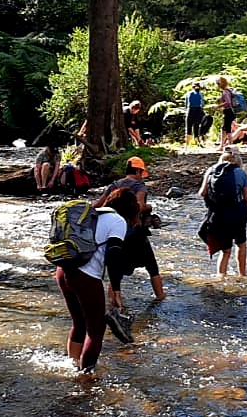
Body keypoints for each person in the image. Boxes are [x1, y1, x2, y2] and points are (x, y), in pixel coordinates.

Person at [54, 187, 142, 373]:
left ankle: (72, 364)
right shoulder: (118, 221)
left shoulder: (95, 214)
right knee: (96, 330)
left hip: (63, 270)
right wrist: (115, 287)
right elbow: (113, 253)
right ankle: (85, 377)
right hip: (85, 276)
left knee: (79, 323)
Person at [94, 156, 166, 308]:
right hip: (135, 233)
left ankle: (114, 307)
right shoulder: (139, 186)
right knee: (152, 268)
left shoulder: (114, 185)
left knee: (115, 270)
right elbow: (139, 206)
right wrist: (149, 207)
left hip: (114, 234)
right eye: (142, 172)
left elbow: (99, 205)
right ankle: (161, 299)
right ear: (138, 171)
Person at [198, 146, 247, 276]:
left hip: (217, 215)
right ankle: (242, 275)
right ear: (238, 159)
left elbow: (202, 193)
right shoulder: (241, 173)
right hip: (236, 215)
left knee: (225, 250)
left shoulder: (211, 171)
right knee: (241, 244)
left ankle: (221, 277)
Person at [215, 76, 236, 148]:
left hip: (228, 111)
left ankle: (231, 145)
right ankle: (222, 145)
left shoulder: (225, 92)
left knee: (227, 129)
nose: (217, 85)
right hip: (228, 111)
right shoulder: (228, 90)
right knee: (224, 128)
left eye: (218, 83)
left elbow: (228, 102)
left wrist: (218, 106)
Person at [184, 82, 206, 146]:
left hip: (190, 110)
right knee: (196, 126)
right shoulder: (200, 94)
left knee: (189, 127)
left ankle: (187, 144)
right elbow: (202, 104)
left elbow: (186, 104)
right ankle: (197, 142)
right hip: (198, 110)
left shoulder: (188, 94)